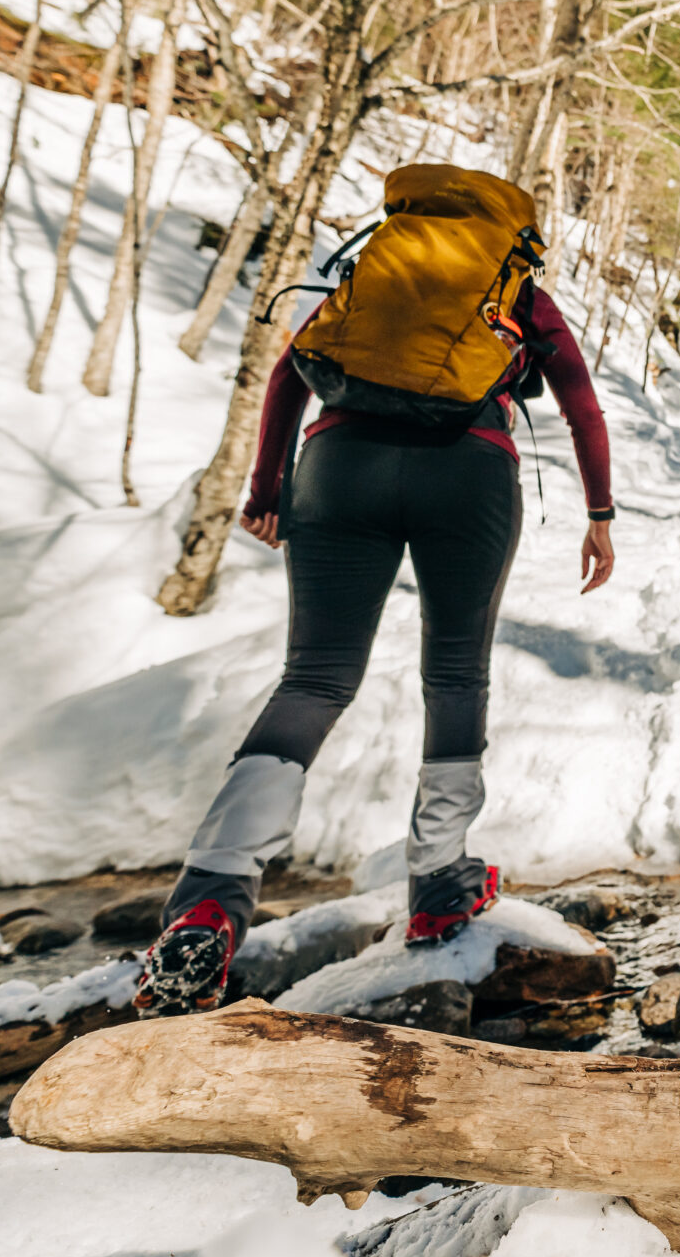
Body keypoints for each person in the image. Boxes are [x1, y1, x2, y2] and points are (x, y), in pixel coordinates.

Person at [133, 223, 618, 1017]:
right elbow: (582, 405)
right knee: (456, 674)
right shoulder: (515, 293)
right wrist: (599, 512)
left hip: (338, 464)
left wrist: (266, 489)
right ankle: (438, 882)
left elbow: (290, 376)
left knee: (314, 679)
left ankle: (211, 898)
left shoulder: (363, 279)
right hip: (471, 466)